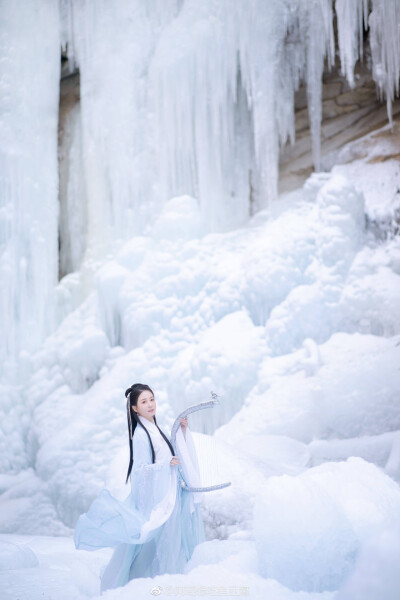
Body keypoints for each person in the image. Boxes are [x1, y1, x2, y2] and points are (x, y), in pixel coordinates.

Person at [74, 383, 206, 593]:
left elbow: (169, 453)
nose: (150, 404)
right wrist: (164, 466)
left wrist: (182, 431)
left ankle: (160, 586)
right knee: (152, 549)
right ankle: (141, 588)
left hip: (168, 495)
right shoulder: (141, 435)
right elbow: (141, 471)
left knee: (164, 546)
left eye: (152, 399)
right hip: (158, 501)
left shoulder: (155, 429)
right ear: (134, 408)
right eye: (144, 401)